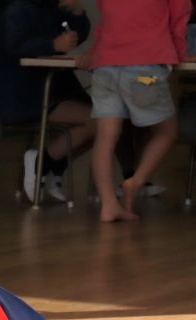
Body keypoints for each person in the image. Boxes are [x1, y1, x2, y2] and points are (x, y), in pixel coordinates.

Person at [82, 0, 192, 221]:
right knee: (167, 131)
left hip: (105, 65)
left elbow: (106, 23)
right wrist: (180, 53)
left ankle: (108, 205)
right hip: (146, 64)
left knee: (105, 138)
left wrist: (94, 52)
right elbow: (178, 18)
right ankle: (136, 179)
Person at [0, 0, 94, 202]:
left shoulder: (51, 10)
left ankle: (50, 169)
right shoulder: (17, 10)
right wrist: (53, 44)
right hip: (24, 96)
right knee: (98, 119)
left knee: (104, 122)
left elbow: (76, 36)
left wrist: (77, 12)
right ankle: (42, 163)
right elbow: (15, 45)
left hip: (51, 90)